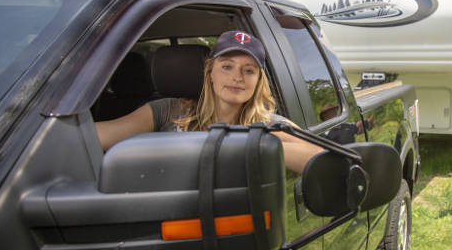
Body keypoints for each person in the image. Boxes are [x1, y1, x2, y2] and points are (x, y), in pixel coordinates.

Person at [96, 30, 323, 174]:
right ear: (210, 73)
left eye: (249, 70)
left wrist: (260, 143)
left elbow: (320, 158)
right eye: (227, 66)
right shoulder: (168, 111)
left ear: (258, 81)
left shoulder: (269, 125)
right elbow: (100, 137)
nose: (237, 77)